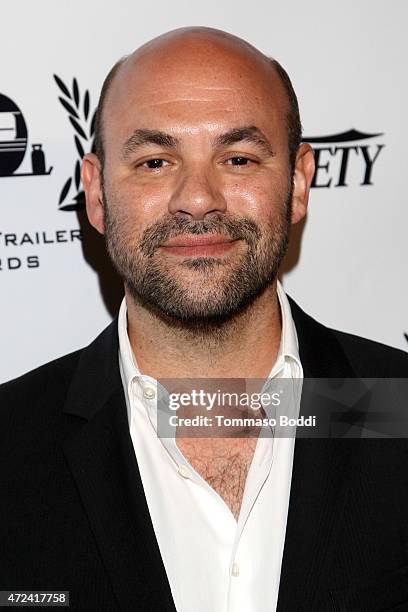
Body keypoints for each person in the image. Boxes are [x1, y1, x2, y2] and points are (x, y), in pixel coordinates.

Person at [1, 27, 408, 612]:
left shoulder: (394, 406)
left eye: (237, 158)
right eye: (155, 161)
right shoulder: (10, 448)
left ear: (297, 182)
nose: (197, 199)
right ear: (94, 193)